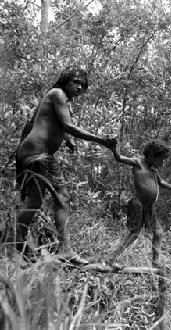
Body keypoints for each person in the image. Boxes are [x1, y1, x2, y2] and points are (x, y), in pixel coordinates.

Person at [15, 66, 117, 264]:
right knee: (63, 197)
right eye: (75, 82)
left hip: (31, 153)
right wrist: (102, 140)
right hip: (39, 154)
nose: (79, 87)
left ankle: (14, 245)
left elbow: (50, 122)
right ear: (65, 80)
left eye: (82, 85)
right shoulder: (58, 93)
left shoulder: (60, 99)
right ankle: (65, 251)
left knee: (34, 201)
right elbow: (68, 125)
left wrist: (67, 141)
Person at [106, 139, 171, 269]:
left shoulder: (153, 171)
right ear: (152, 156)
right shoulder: (138, 163)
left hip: (148, 207)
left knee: (158, 232)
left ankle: (155, 262)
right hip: (137, 204)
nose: (163, 163)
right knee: (134, 233)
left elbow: (161, 182)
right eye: (162, 159)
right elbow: (119, 158)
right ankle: (111, 258)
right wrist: (113, 148)